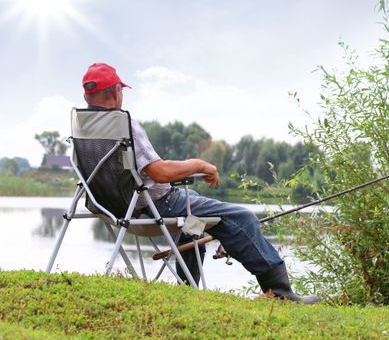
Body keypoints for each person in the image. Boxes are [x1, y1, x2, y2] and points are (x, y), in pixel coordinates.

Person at [81, 62, 320, 304]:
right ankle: (280, 293)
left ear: (86, 96)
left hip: (113, 209)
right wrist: (199, 164)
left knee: (195, 218)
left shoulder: (84, 128)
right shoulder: (123, 124)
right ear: (115, 92)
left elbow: (147, 168)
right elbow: (160, 172)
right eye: (121, 90)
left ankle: (187, 289)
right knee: (241, 217)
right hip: (154, 206)